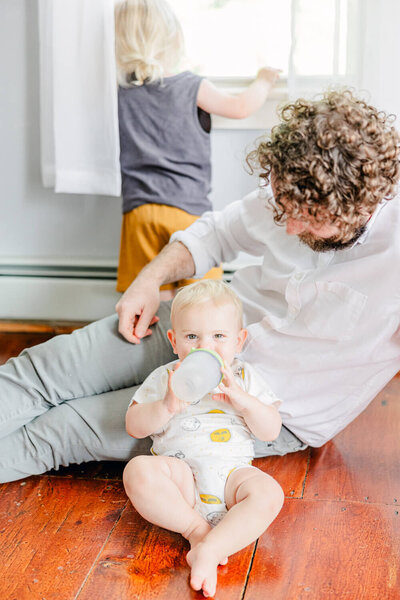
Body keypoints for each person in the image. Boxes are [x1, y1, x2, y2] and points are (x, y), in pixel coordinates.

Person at [1, 88, 399, 484]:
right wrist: (149, 278)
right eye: (283, 209)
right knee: (43, 370)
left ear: (360, 207)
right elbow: (216, 234)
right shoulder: (297, 184)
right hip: (196, 331)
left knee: (64, 429)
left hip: (262, 407)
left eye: (309, 219)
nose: (291, 227)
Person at [123, 279, 284, 597]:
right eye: (192, 336)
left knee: (270, 493)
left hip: (232, 481)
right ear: (174, 341)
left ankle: (211, 548)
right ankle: (197, 531)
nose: (204, 347)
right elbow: (134, 425)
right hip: (180, 480)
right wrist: (167, 406)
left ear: (239, 341)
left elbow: (271, 430)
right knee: (137, 471)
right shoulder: (167, 377)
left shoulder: (243, 378)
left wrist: (244, 402)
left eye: (219, 336)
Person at [114, 0, 280, 298]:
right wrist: (265, 81)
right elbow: (241, 107)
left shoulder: (121, 93)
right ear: (174, 38)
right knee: (202, 302)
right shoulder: (191, 86)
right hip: (186, 210)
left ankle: (153, 345)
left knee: (151, 296)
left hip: (138, 213)